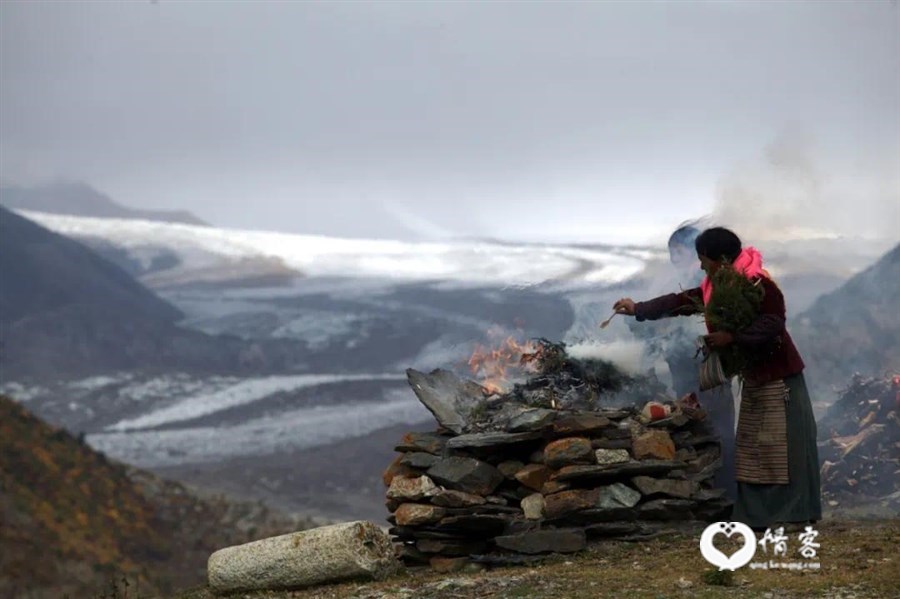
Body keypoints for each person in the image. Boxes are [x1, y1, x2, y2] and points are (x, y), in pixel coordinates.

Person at [612, 227, 821, 530]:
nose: (700, 266)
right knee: (754, 448)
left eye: (703, 259)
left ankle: (796, 514)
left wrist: (732, 337)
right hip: (755, 377)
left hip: (779, 378)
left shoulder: (759, 283)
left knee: (782, 446)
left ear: (721, 259)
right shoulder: (716, 286)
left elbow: (773, 323)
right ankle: (760, 516)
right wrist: (638, 309)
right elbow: (682, 302)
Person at [626, 223, 737, 501]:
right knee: (691, 424)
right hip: (682, 366)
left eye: (679, 251)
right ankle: (703, 492)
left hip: (709, 366)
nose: (674, 258)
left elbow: (687, 308)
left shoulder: (719, 285)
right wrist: (640, 313)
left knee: (719, 429)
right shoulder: (694, 283)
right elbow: (674, 305)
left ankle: (729, 494)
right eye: (670, 252)